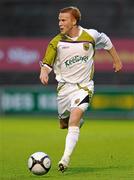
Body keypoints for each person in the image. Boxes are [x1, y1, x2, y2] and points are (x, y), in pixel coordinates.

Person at [39, 6, 122, 172]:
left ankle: (65, 159)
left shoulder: (91, 35)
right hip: (64, 89)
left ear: (74, 21)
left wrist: (117, 60)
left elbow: (106, 41)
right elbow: (46, 63)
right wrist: (44, 71)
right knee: (64, 124)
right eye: (59, 20)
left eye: (63, 20)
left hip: (83, 87)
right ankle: (75, 122)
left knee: (74, 118)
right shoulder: (56, 42)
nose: (60, 23)